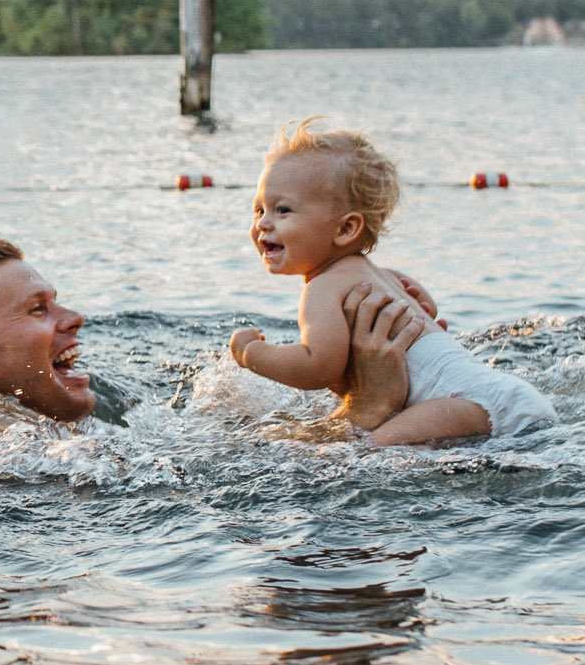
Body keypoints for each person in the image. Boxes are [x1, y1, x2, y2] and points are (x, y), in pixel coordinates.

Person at [0, 238, 429, 438]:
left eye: (58, 301)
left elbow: (204, 452)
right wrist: (366, 410)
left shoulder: (49, 417)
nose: (75, 317)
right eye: (38, 310)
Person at [229, 119, 556, 445]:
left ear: (346, 229)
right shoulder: (385, 276)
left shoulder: (323, 288)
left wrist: (250, 353)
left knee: (366, 449)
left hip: (464, 406)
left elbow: (318, 366)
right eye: (259, 210)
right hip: (511, 396)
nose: (263, 224)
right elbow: (427, 308)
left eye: (282, 210)